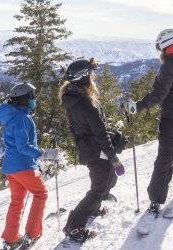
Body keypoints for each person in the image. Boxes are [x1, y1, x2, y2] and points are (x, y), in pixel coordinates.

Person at [123, 29, 173, 213]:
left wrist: (137, 106)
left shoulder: (169, 66)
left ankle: (156, 200)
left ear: (167, 46)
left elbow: (158, 96)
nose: (160, 52)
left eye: (160, 47)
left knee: (165, 159)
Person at [59, 58, 125, 242]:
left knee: (108, 180)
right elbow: (101, 133)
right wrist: (115, 158)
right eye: (90, 73)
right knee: (100, 187)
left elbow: (81, 128)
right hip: (96, 150)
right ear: (84, 77)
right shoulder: (86, 103)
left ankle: (93, 209)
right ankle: (74, 226)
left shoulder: (73, 98)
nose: (93, 76)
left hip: (89, 148)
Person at [0, 83, 48, 250]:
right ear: (24, 99)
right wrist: (42, 153)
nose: (34, 99)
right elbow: (23, 146)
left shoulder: (13, 116)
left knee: (17, 201)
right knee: (41, 194)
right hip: (23, 165)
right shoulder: (22, 118)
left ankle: (10, 239)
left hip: (11, 167)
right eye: (31, 96)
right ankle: (32, 234)